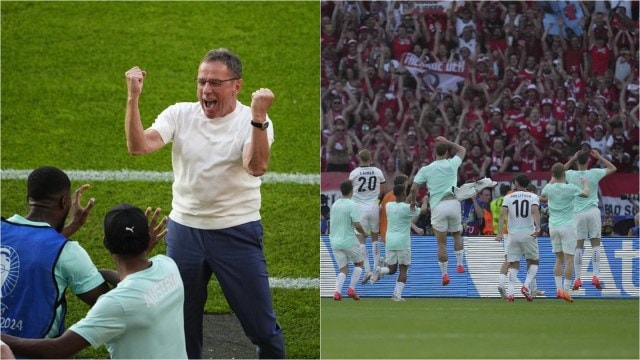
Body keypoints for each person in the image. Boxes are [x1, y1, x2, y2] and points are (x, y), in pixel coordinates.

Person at [123, 48, 285, 359]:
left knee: (263, 330)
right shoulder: (181, 113)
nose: (206, 91)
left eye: (214, 83)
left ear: (236, 85)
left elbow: (256, 166)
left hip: (236, 231)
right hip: (184, 232)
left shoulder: (252, 121)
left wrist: (259, 118)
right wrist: (133, 98)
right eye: (201, 82)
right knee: (181, 326)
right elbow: (139, 146)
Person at [1, 203, 187, 359]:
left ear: (106, 243)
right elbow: (137, 284)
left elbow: (58, 349)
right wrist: (103, 273)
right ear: (147, 240)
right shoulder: (168, 266)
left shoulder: (116, 303)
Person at [0, 166, 110, 340]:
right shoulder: (68, 252)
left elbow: (30, 247)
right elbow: (109, 305)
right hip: (36, 353)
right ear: (64, 203)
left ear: (28, 199)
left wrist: (72, 227)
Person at [410, 136, 467, 286]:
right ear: (447, 153)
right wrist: (447, 141)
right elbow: (462, 149)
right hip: (453, 203)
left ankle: (445, 275)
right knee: (456, 235)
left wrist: (412, 202)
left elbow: (414, 188)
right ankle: (460, 264)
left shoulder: (426, 169)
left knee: (441, 244)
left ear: (434, 154)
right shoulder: (452, 163)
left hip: (438, 206)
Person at [563, 149, 617, 291]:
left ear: (576, 161)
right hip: (593, 211)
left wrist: (572, 158)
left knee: (578, 247)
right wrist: (600, 157)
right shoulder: (594, 173)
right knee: (596, 245)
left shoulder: (571, 174)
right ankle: (596, 276)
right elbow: (613, 168)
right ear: (588, 161)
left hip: (578, 213)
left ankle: (578, 278)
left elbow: (558, 172)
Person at [541, 163, 589, 303]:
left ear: (552, 175)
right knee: (569, 259)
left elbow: (542, 195)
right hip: (567, 226)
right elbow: (586, 194)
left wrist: (552, 181)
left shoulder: (548, 187)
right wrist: (585, 184)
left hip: (553, 227)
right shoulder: (571, 188)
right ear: (565, 174)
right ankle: (566, 291)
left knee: (559, 259)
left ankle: (558, 289)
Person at [495, 174, 541, 302]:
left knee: (513, 262)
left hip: (513, 235)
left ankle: (510, 293)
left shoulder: (508, 197)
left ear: (516, 183)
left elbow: (503, 214)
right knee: (534, 262)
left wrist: (499, 233)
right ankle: (526, 286)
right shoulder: (533, 196)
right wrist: (538, 227)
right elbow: (534, 211)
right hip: (528, 233)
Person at [376, 184, 425, 301]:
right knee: (404, 269)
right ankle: (397, 295)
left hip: (390, 240)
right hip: (402, 242)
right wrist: (425, 201)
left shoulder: (389, 205)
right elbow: (422, 211)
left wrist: (411, 203)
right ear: (403, 194)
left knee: (392, 269)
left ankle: (381, 270)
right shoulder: (406, 208)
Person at [349, 149, 386, 284]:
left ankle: (367, 270)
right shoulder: (377, 172)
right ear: (371, 158)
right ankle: (376, 270)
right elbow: (382, 191)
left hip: (359, 208)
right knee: (375, 238)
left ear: (359, 158)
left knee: (361, 240)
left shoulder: (354, 173)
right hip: (374, 206)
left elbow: (350, 191)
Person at [329, 179, 367, 301]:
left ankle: (337, 292)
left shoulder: (334, 205)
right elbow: (356, 224)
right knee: (359, 264)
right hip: (349, 241)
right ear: (352, 191)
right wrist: (364, 233)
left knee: (343, 269)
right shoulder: (353, 205)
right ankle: (351, 289)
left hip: (335, 241)